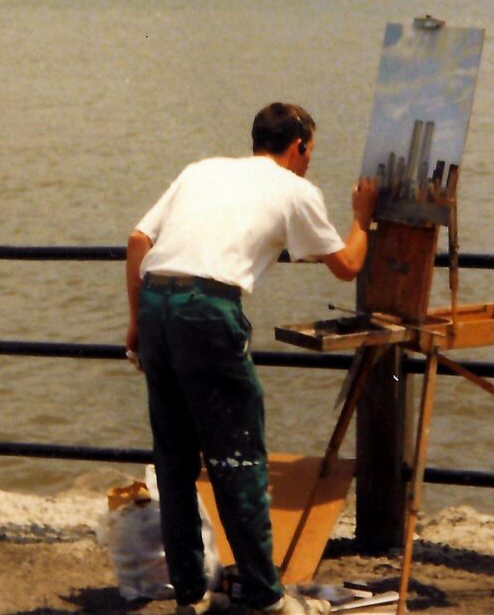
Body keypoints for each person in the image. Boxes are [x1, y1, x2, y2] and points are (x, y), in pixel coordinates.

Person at [125, 101, 379, 615]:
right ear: (298, 146)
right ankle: (266, 599)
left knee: (174, 462)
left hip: (156, 300)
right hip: (207, 310)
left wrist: (136, 324)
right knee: (238, 459)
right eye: (310, 151)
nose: (309, 161)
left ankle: (190, 596)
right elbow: (348, 265)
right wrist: (363, 219)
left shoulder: (203, 170)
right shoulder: (295, 189)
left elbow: (138, 240)